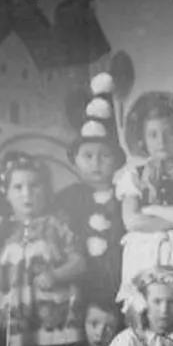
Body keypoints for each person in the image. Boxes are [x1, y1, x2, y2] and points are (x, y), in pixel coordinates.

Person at [0, 153, 87, 346]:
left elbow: (79, 262)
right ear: (6, 193)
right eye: (18, 188)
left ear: (47, 190)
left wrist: (56, 275)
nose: (27, 194)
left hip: (52, 315)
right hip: (14, 315)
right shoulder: (3, 228)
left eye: (35, 186)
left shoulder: (58, 224)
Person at [115, 91, 173, 318]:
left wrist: (149, 211)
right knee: (142, 308)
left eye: (170, 133)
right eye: (153, 135)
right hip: (144, 251)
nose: (162, 141)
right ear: (143, 140)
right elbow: (132, 220)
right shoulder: (133, 176)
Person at [56, 73, 127, 310]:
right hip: (78, 288)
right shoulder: (66, 198)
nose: (96, 163)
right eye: (87, 156)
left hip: (118, 284)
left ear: (116, 161)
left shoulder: (126, 197)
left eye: (104, 155)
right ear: (75, 160)